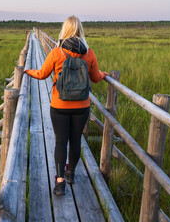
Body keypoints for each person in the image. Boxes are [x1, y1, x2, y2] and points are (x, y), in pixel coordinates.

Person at [25, 15, 108, 196]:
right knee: (76, 140)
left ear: (65, 30)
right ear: (80, 30)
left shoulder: (57, 53)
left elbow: (41, 74)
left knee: (60, 142)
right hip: (82, 107)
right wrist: (103, 74)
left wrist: (26, 70)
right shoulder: (89, 53)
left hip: (59, 106)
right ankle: (71, 174)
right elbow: (95, 78)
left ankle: (60, 182)